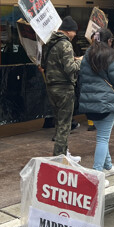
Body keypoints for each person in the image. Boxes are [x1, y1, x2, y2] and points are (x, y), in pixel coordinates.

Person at [78, 28, 114, 184]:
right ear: (109, 41)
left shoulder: (87, 54)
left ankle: (108, 166)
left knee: (102, 135)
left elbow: (82, 78)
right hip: (105, 102)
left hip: (89, 102)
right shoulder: (110, 55)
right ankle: (97, 175)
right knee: (102, 138)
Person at [42, 16, 81, 157]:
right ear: (69, 31)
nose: (75, 34)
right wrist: (80, 61)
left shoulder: (49, 42)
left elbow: (45, 63)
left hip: (51, 86)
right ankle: (60, 156)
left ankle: (64, 152)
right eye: (74, 31)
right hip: (64, 88)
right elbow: (70, 68)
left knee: (59, 122)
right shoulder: (65, 44)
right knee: (65, 124)